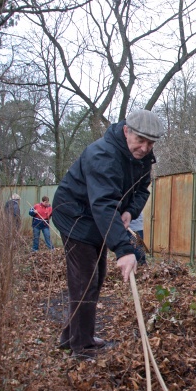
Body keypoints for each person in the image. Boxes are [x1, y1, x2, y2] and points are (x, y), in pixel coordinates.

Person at [52, 109, 164, 359]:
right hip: (75, 216)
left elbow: (142, 191)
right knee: (85, 279)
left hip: (98, 218)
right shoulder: (103, 154)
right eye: (140, 141)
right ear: (126, 131)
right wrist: (123, 250)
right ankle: (80, 347)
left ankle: (74, 337)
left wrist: (128, 212)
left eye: (150, 143)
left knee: (95, 277)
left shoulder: (142, 158)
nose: (145, 148)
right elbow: (102, 203)